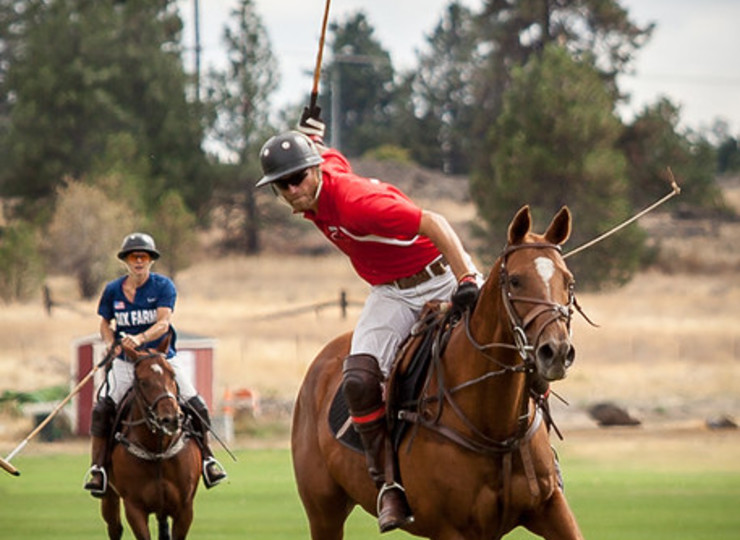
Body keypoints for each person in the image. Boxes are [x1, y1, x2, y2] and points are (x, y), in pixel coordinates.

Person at [257, 111, 481, 533]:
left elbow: (435, 222)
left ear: (314, 173)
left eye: (296, 178)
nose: (291, 189)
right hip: (391, 292)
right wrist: (312, 137)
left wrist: (466, 279)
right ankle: (389, 486)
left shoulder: (360, 203)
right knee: (358, 379)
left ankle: (541, 457)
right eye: (281, 185)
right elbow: (330, 157)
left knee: (505, 340)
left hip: (443, 273)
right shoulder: (318, 177)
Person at [83, 232, 227, 496]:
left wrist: (138, 338)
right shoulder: (113, 290)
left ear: (150, 260)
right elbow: (105, 323)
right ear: (126, 260)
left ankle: (208, 460)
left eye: (144, 256)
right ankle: (98, 469)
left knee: (196, 403)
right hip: (127, 363)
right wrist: (109, 343)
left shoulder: (163, 287)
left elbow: (163, 323)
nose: (139, 261)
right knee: (104, 408)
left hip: (162, 359)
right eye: (133, 256)